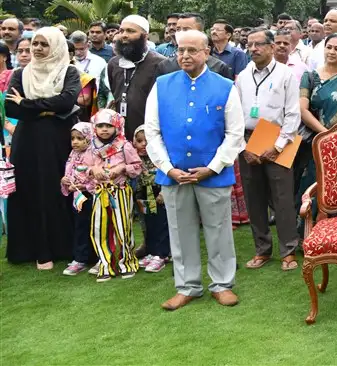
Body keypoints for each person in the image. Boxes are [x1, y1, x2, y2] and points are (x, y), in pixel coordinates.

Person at [144, 29, 245, 310]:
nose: (185, 55)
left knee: (219, 230)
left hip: (213, 174)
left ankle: (222, 284)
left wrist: (212, 168)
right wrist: (167, 167)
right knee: (180, 231)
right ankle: (188, 286)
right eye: (180, 50)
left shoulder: (225, 86)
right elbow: (152, 132)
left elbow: (235, 134)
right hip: (173, 174)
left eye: (192, 50)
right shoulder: (162, 84)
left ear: (206, 52)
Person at [4, 27, 82, 268]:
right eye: (34, 44)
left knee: (59, 186)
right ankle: (31, 249)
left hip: (59, 141)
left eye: (43, 44)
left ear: (56, 46)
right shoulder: (20, 74)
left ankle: (64, 247)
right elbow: (12, 109)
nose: (37, 49)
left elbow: (67, 101)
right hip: (27, 143)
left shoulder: (69, 71)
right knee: (30, 188)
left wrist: (28, 104)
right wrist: (47, 108)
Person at [235, 28, 302, 271]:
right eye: (249, 45)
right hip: (249, 141)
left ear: (272, 47)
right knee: (254, 199)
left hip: (278, 140)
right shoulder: (243, 76)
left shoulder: (286, 74)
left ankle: (288, 250)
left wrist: (277, 146)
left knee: (282, 199)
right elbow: (234, 116)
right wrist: (244, 149)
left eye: (259, 44)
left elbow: (293, 114)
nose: (253, 49)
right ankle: (262, 250)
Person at [87, 109, 143, 281]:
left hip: (120, 190)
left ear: (117, 126)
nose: (104, 129)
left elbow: (137, 167)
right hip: (99, 192)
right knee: (98, 229)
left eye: (109, 126)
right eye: (100, 126)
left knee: (122, 227)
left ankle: (128, 262)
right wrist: (93, 169)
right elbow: (82, 168)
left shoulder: (124, 145)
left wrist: (122, 168)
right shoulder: (92, 147)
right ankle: (105, 264)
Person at [59, 122, 99, 276]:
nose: (75, 142)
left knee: (95, 227)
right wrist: (65, 180)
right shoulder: (73, 154)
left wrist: (86, 186)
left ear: (89, 138)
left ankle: (99, 258)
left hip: (92, 196)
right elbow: (69, 171)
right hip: (78, 198)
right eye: (73, 138)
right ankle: (80, 259)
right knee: (80, 227)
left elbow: (99, 177)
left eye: (80, 138)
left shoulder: (95, 154)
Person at [131, 125, 170, 273]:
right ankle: (152, 252)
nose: (143, 144)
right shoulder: (135, 159)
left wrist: (164, 193)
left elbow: (168, 175)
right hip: (143, 195)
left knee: (161, 223)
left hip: (158, 194)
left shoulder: (161, 158)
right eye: (139, 141)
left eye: (146, 141)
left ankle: (161, 254)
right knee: (149, 223)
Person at [157, 13, 234, 80]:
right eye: (178, 29)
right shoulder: (165, 66)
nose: (181, 33)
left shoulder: (218, 67)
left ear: (201, 32)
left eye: (186, 29)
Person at [69, 31, 110, 109]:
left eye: (81, 49)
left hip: (94, 106)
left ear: (88, 45)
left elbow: (105, 85)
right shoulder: (67, 61)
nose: (78, 53)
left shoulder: (99, 61)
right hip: (71, 105)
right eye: (75, 49)